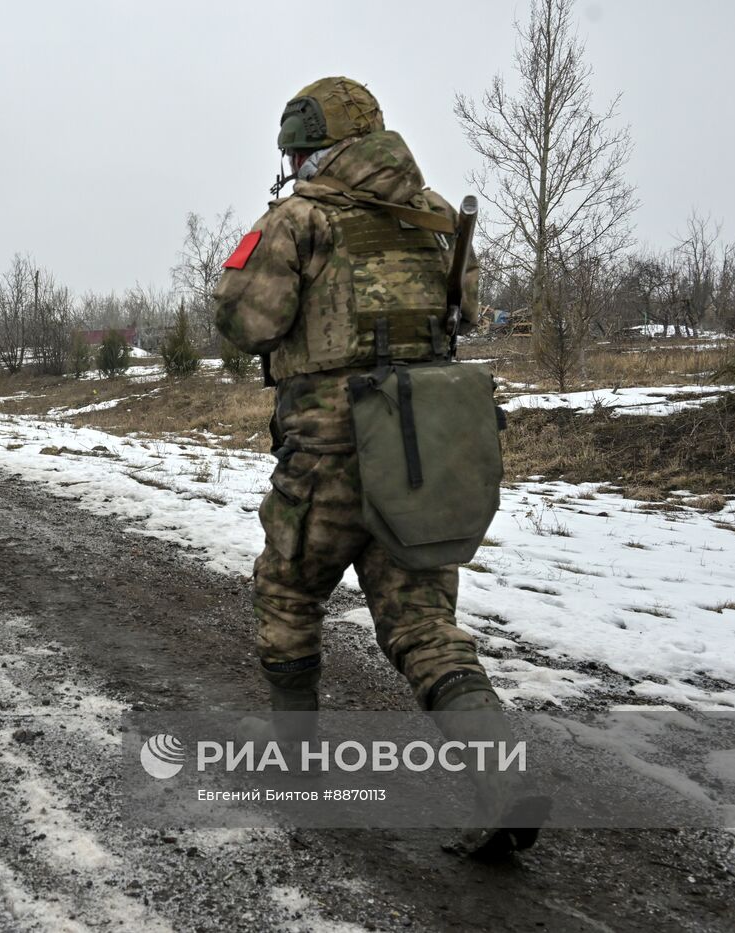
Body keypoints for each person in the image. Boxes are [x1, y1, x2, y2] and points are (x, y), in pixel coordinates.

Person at [214, 76, 543, 855]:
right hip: (416, 451)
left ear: (309, 148)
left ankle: (298, 783)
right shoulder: (431, 221)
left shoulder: (299, 218)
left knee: (288, 595)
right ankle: (503, 779)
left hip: (327, 451)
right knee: (424, 624)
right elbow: (461, 312)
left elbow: (244, 321)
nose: (292, 163)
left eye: (295, 150)